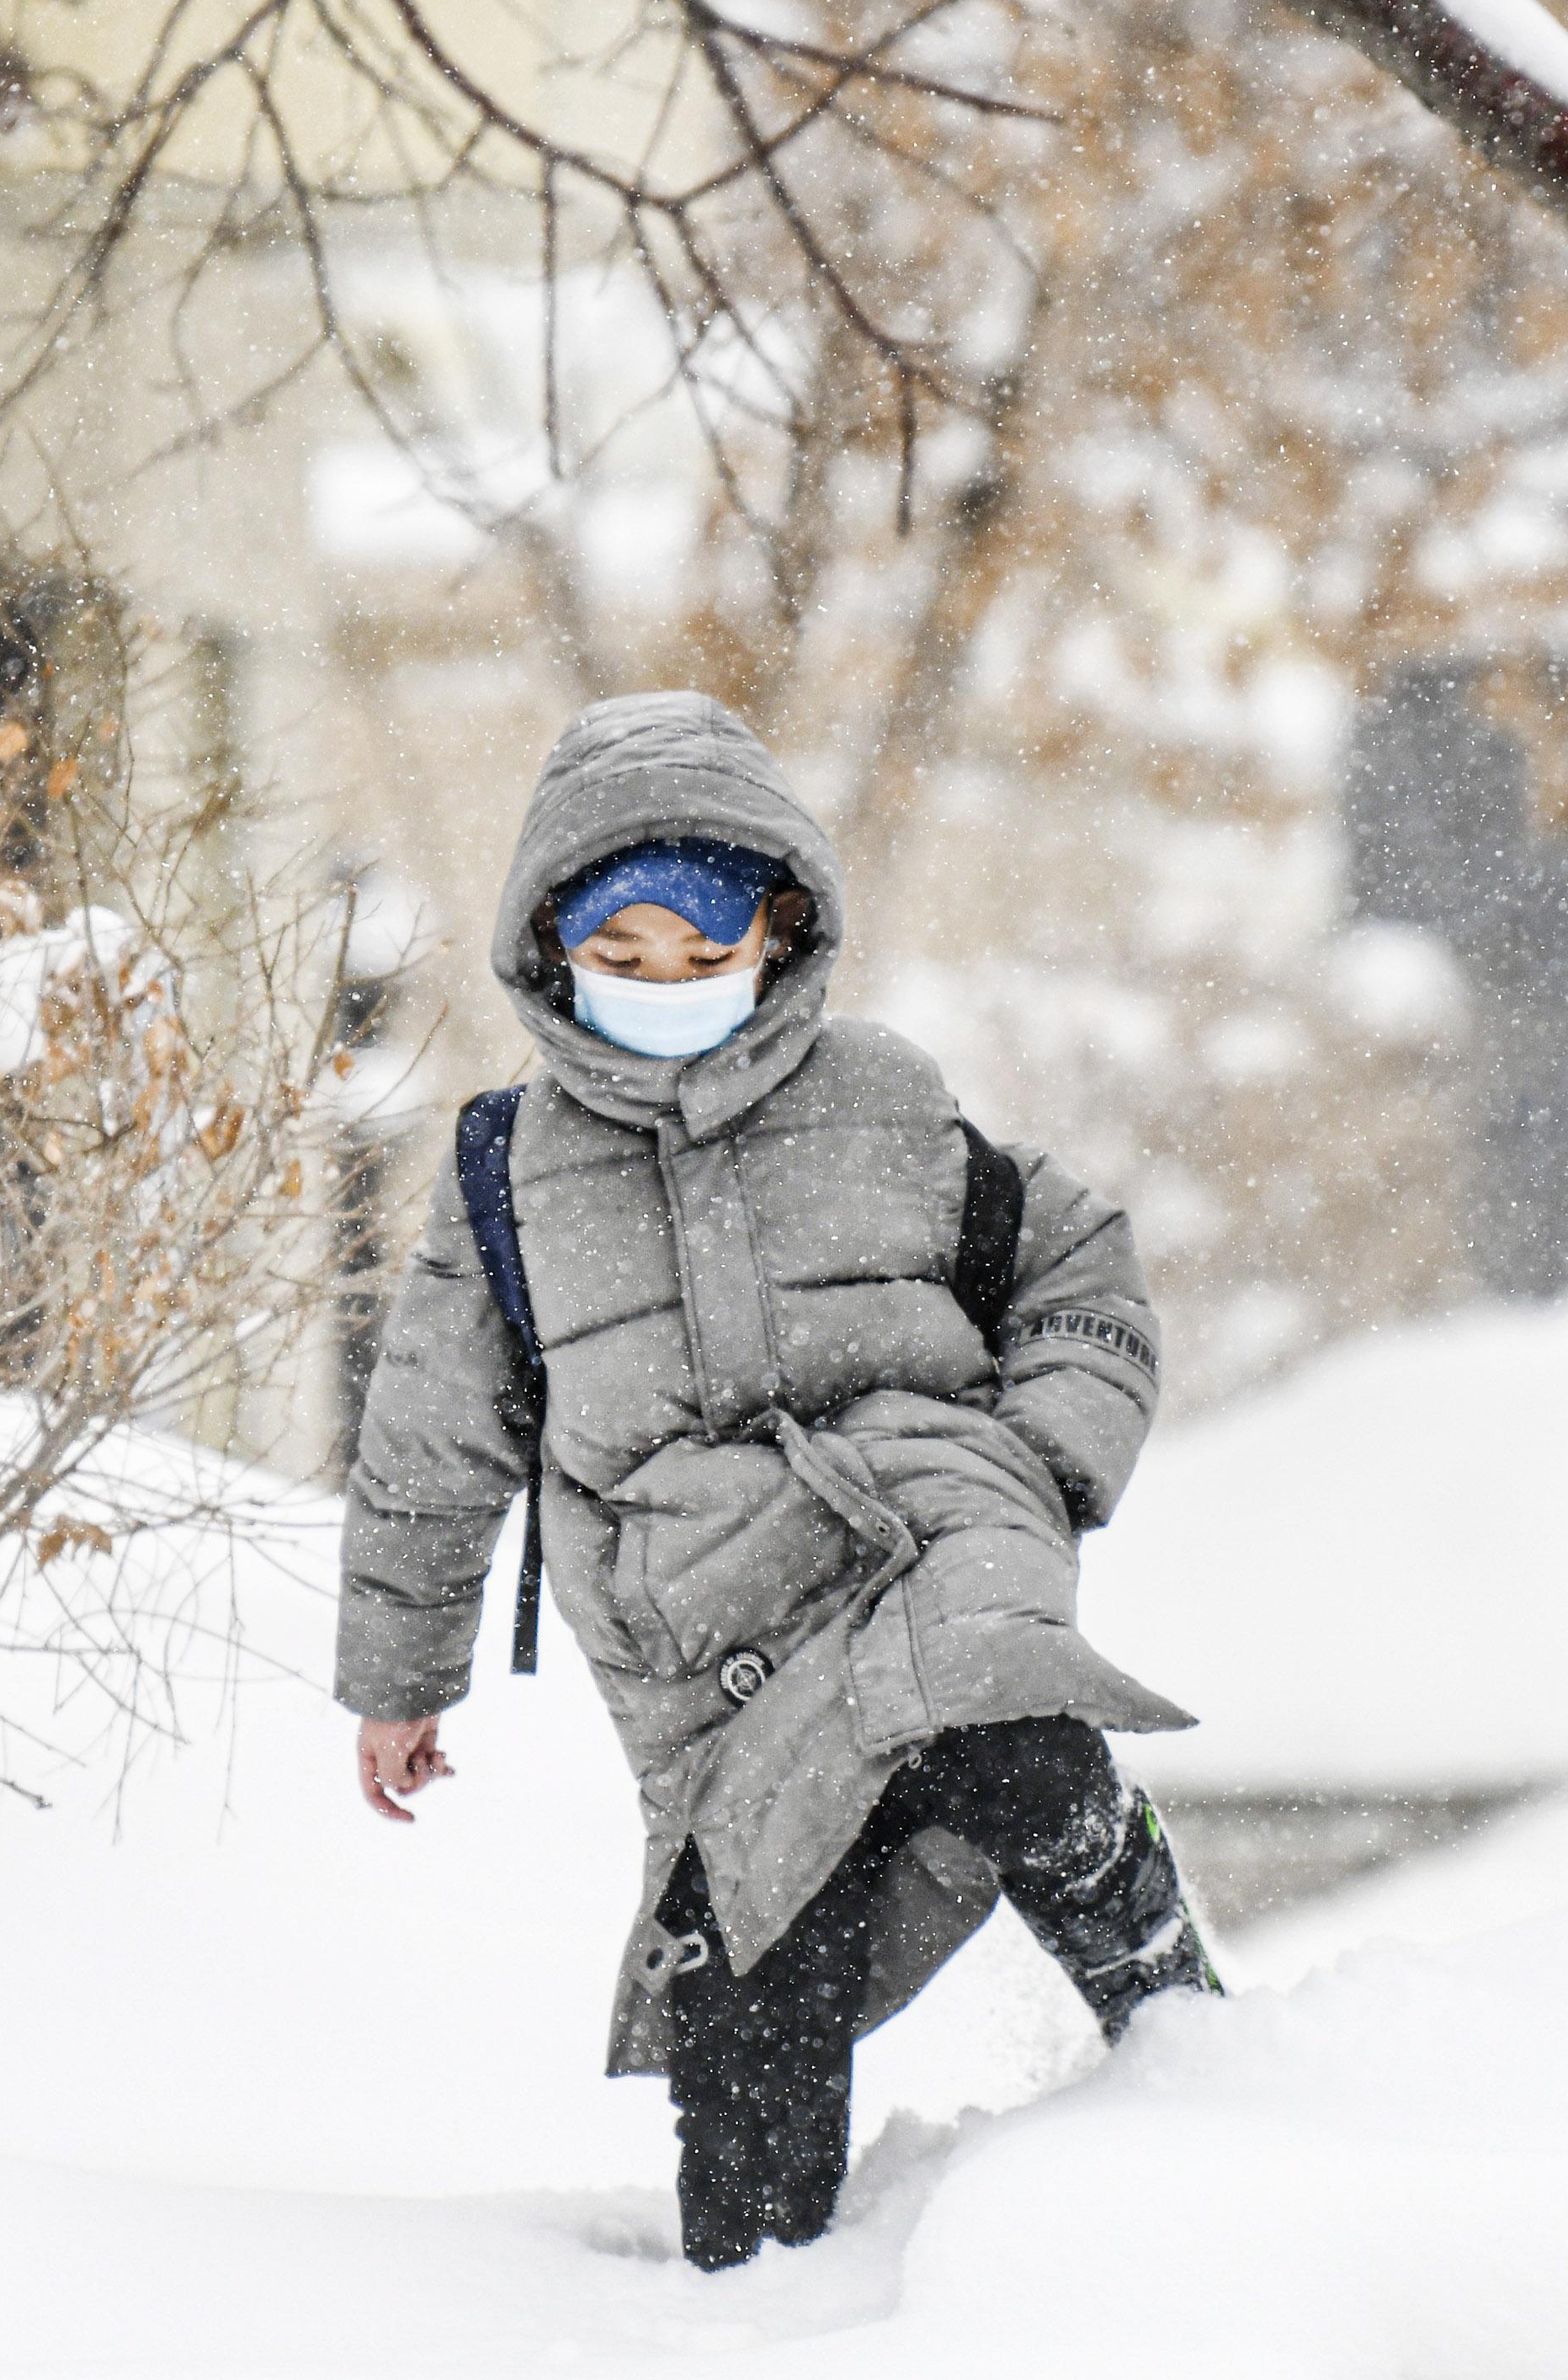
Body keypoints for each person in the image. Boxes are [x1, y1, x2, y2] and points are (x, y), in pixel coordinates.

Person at [336, 691, 1217, 2271]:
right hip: (720, 1672)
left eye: (704, 953)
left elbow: (1085, 1279)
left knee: (1031, 1767)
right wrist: (404, 1678)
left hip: (935, 1575)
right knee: (749, 2089)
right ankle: (755, 2326)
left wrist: (1040, 1470)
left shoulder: (885, 1097)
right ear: (553, 950)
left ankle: (1213, 2081)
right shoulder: (507, 1179)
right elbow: (426, 1444)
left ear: (779, 933)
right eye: (625, 957)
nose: (667, 988)